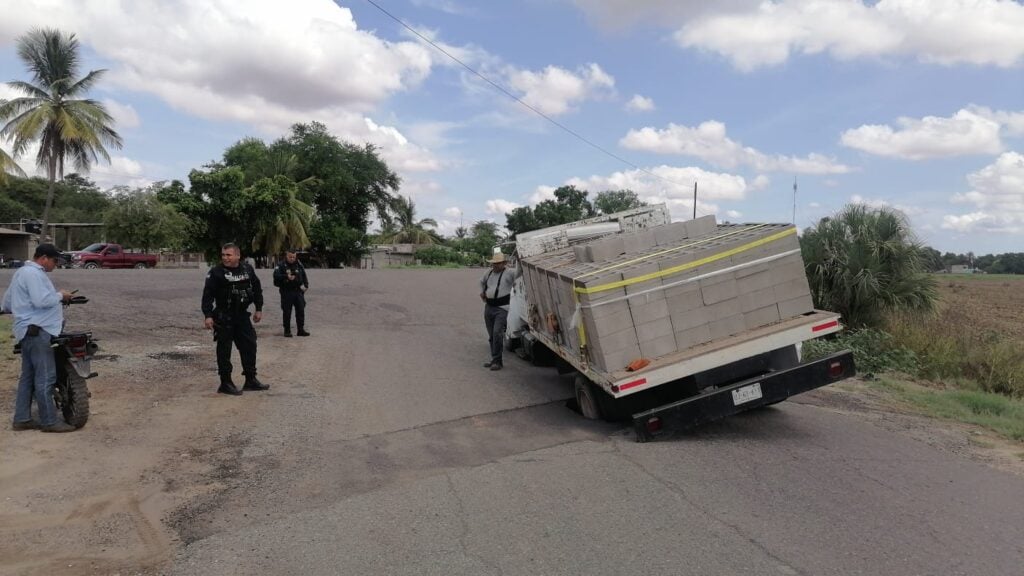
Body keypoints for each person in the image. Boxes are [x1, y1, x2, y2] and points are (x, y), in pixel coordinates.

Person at [1, 244, 76, 432]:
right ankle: (49, 421)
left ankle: (22, 418)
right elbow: (41, 301)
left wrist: (21, 309)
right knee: (45, 376)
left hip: (27, 331)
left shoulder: (21, 272)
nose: (55, 265)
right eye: (54, 261)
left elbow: (7, 303)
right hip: (37, 331)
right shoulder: (34, 274)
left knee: (28, 376)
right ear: (43, 258)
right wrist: (61, 295)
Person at [201, 243, 269, 395]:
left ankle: (250, 379)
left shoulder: (247, 269)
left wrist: (258, 308)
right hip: (224, 316)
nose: (225, 258)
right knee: (224, 350)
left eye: (229, 255)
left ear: (238, 255)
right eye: (223, 255)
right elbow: (207, 295)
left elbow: (257, 288)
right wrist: (208, 315)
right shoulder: (216, 272)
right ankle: (225, 383)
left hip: (242, 316)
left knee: (249, 346)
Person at [479, 252, 519, 371]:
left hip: (502, 308)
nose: (495, 266)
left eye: (498, 263)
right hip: (489, 307)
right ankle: (494, 359)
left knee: (497, 333)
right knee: (492, 335)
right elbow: (481, 281)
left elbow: (520, 272)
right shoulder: (489, 273)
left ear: (504, 263)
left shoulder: (510, 273)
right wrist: (482, 292)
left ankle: (498, 361)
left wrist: (520, 259)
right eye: (493, 263)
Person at [272, 249, 309, 337]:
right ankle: (287, 331)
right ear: (286, 256)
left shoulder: (299, 264)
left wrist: (306, 286)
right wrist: (286, 277)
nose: (292, 259)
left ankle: (300, 330)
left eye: (294, 257)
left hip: (298, 291)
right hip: (287, 292)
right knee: (287, 312)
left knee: (300, 311)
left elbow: (304, 275)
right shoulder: (281, 265)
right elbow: (276, 276)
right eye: (290, 257)